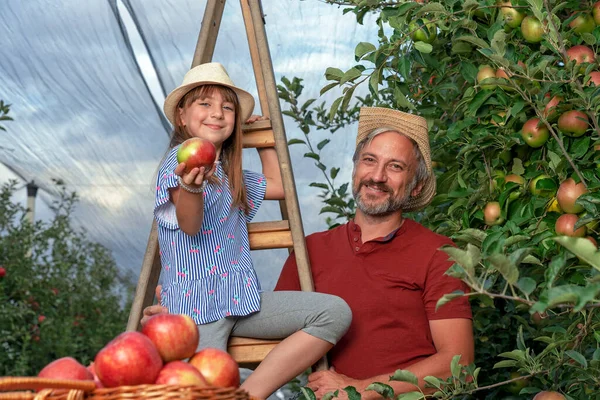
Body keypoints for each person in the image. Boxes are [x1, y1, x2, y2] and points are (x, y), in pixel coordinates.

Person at [152, 62, 351, 400]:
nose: (217, 113)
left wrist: (261, 139)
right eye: (205, 104)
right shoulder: (179, 163)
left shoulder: (229, 175)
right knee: (200, 393)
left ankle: (249, 394)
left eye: (227, 107)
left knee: (333, 313)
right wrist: (192, 189)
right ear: (182, 117)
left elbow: (278, 186)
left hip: (240, 301)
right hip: (197, 309)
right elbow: (190, 223)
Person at [275, 107, 474, 399]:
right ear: (355, 169)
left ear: (416, 186)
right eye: (370, 161)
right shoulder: (310, 251)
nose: (377, 176)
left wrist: (360, 390)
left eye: (395, 167)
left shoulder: (438, 253)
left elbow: (459, 365)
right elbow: (269, 340)